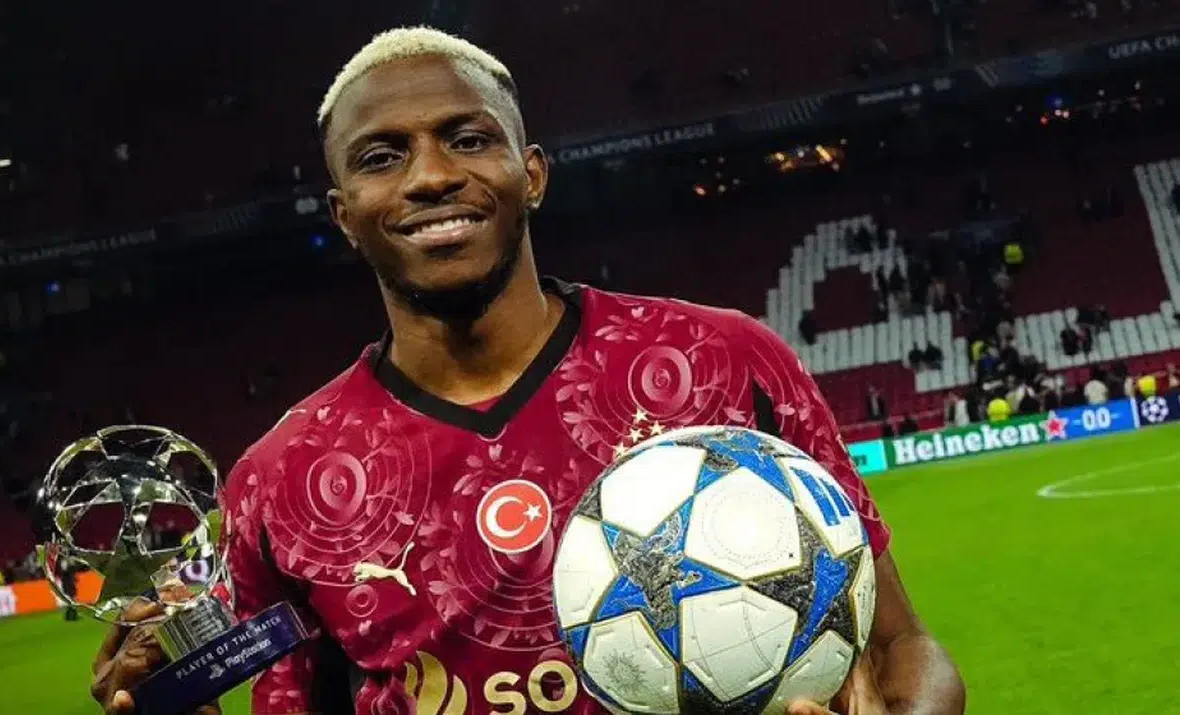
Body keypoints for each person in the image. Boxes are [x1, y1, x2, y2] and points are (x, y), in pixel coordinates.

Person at [89, 27, 965, 715]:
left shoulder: (726, 362)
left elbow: (902, 649)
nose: (432, 176)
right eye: (382, 156)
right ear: (344, 213)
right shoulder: (283, 483)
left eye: (468, 138)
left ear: (532, 173)